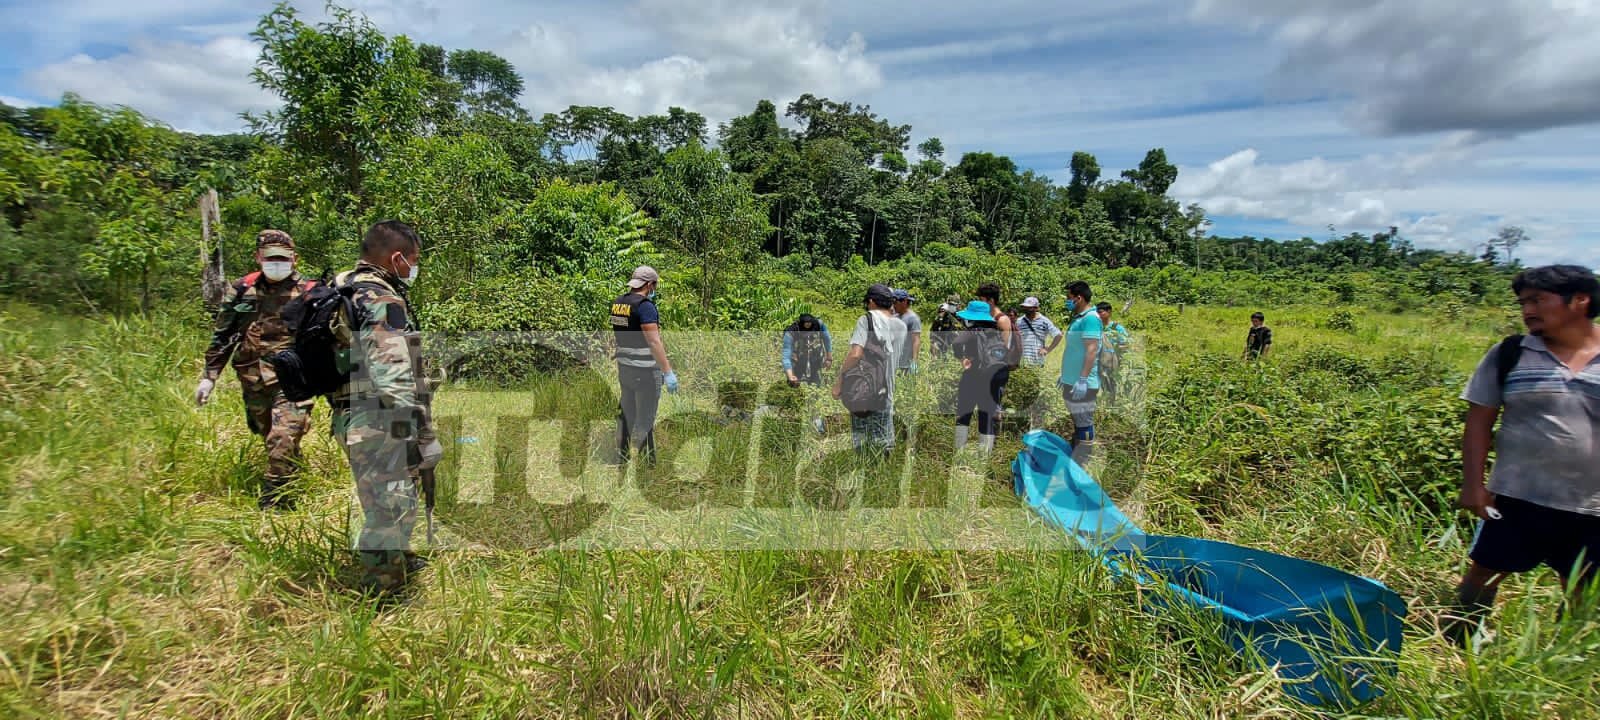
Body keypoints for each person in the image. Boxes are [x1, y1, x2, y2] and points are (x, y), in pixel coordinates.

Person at [1448, 265, 1600, 645]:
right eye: (1523, 302)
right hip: (1517, 495)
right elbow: (1479, 421)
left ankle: (1564, 661)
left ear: (1580, 301)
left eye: (1537, 300)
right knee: (1485, 570)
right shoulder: (1511, 354)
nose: (1527, 309)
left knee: (1580, 584)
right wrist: (1473, 485)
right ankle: (1458, 639)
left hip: (1593, 505)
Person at [331, 220, 443, 597]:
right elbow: (393, 378)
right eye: (413, 260)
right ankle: (383, 593)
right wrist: (425, 435)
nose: (414, 267)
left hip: (355, 413)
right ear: (397, 258)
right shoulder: (381, 300)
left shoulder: (343, 286)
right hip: (379, 420)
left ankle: (400, 558)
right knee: (388, 505)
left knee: (396, 494)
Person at [195, 230, 317, 510]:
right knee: (270, 437)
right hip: (253, 379)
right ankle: (296, 474)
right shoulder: (241, 290)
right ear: (258, 257)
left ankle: (275, 502)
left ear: (294, 259)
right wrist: (209, 377)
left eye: (283, 259)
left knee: (282, 436)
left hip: (294, 381)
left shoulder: (310, 292)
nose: (277, 263)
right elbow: (223, 336)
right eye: (270, 258)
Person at [611, 265, 679, 465]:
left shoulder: (618, 303)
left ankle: (622, 457)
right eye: (654, 285)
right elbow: (653, 341)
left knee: (627, 412)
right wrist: (668, 372)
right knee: (646, 416)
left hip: (625, 368)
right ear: (649, 284)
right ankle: (647, 462)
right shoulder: (645, 306)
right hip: (645, 371)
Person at [832, 284, 906, 455]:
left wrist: (839, 381)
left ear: (871, 301)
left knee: (862, 436)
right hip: (886, 388)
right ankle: (883, 473)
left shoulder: (866, 320)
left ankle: (862, 471)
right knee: (884, 437)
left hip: (864, 386)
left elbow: (856, 354)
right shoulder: (901, 326)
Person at [950, 301, 1008, 453]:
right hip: (992, 378)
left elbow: (956, 343)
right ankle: (985, 456)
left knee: (964, 413)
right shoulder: (996, 331)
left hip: (973, 376)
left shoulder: (972, 330)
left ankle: (959, 451)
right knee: (986, 415)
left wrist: (962, 358)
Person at [1057, 281, 1102, 465]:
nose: (1067, 302)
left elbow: (1092, 350)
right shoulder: (1079, 317)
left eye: (1069, 298)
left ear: (1079, 298)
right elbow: (1076, 350)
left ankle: (1083, 460)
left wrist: (1082, 379)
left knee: (1084, 421)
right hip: (1073, 379)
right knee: (1078, 419)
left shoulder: (1090, 318)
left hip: (1084, 382)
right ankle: (1077, 453)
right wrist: (1066, 375)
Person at [782, 313, 832, 433]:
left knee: (816, 393)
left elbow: (827, 338)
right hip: (797, 363)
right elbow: (786, 355)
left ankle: (817, 425)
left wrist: (829, 357)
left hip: (814, 363)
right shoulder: (791, 332)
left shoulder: (819, 325)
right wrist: (790, 375)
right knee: (793, 392)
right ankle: (791, 422)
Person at [1096, 302, 1131, 403]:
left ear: (1109, 312)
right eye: (1097, 313)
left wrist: (1116, 348)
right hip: (1097, 361)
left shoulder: (1117, 328)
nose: (1098, 315)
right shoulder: (1096, 328)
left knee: (1110, 385)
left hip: (1112, 362)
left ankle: (1111, 406)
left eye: (1101, 312)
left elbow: (1126, 344)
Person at [892, 289, 922, 376]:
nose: (893, 305)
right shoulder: (895, 316)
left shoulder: (913, 318)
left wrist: (914, 361)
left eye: (895, 302)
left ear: (904, 302)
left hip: (905, 362)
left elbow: (916, 340)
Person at [930, 294, 965, 358]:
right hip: (942, 333)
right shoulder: (942, 311)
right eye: (951, 304)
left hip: (954, 335)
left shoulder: (960, 313)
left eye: (954, 305)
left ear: (958, 305)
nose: (952, 306)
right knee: (937, 348)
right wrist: (933, 341)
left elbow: (963, 328)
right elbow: (934, 328)